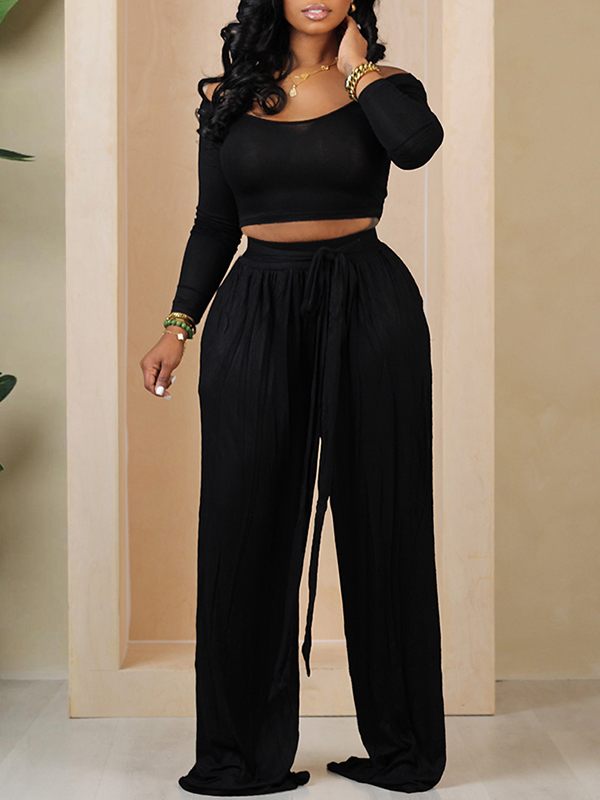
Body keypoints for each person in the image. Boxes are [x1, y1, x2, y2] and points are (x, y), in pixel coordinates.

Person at [139, 0, 446, 794]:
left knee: (385, 517)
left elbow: (417, 148)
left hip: (369, 304)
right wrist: (178, 326)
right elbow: (214, 223)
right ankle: (239, 756)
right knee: (243, 525)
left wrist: (358, 69)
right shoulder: (229, 97)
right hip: (256, 308)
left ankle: (405, 751)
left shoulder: (384, 85)